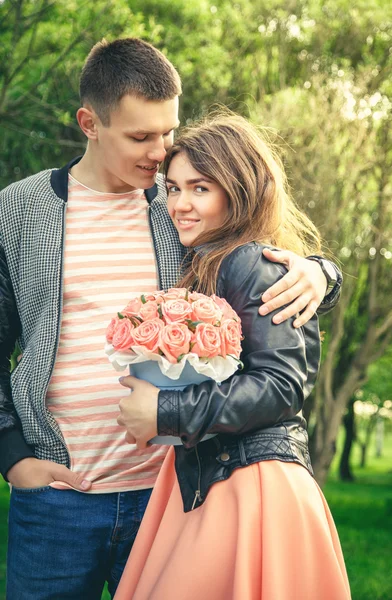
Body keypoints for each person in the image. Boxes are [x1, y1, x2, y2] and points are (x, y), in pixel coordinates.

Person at [0, 39, 342, 599]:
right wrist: (13, 457)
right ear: (90, 122)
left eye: (168, 132)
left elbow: (258, 270)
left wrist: (321, 274)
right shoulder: (20, 209)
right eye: (140, 137)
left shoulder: (184, 205)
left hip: (175, 490)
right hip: (58, 496)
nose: (160, 153)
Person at [115, 113, 351, 600]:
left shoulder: (250, 262)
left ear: (238, 192)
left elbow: (282, 386)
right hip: (216, 473)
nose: (180, 204)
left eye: (200, 189)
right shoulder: (211, 260)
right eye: (174, 188)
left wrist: (165, 410)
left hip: (252, 484)